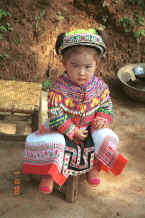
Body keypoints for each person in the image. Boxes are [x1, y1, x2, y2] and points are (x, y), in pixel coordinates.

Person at [22, 28, 128, 194]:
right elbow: (55, 114)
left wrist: (101, 118)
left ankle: (94, 168)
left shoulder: (100, 87)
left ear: (96, 65)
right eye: (75, 66)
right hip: (62, 128)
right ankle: (49, 174)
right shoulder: (58, 88)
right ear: (64, 63)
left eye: (88, 67)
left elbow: (106, 105)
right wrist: (71, 130)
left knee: (106, 137)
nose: (81, 72)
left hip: (88, 128)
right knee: (55, 143)